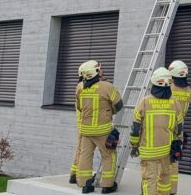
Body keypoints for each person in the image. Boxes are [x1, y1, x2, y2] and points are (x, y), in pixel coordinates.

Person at [129, 67, 184, 195]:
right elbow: (179, 128)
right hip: (167, 150)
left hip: (149, 151)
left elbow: (135, 128)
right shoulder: (175, 103)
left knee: (149, 179)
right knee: (165, 177)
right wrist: (178, 143)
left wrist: (134, 145)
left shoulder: (144, 102)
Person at [75, 60, 123, 194]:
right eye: (99, 69)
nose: (102, 70)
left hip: (86, 130)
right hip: (103, 130)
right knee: (109, 156)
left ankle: (85, 185)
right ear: (95, 72)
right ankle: (107, 185)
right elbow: (119, 105)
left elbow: (79, 107)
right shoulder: (107, 86)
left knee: (85, 156)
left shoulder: (80, 87)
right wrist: (108, 112)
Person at [167, 60, 191, 195]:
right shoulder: (188, 90)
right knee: (174, 162)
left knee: (160, 162)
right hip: (179, 130)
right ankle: (172, 191)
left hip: (165, 129)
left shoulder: (168, 88)